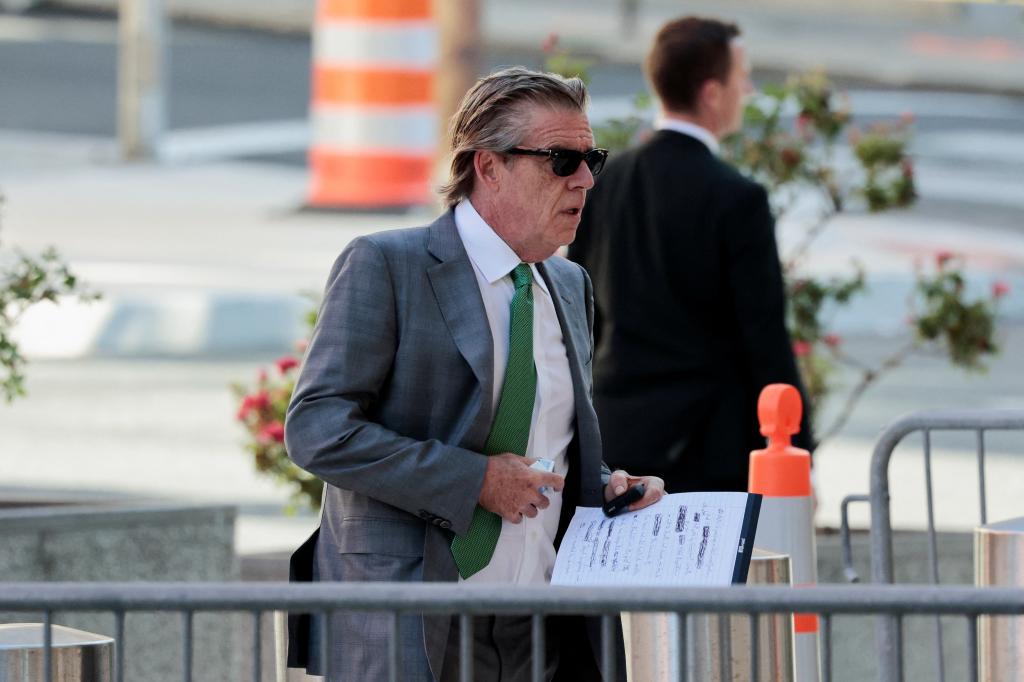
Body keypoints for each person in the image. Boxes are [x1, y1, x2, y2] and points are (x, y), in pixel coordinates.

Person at [284, 66, 665, 682]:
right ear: (489, 167)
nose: (588, 179)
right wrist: (475, 481)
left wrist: (607, 486)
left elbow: (547, 448)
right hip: (418, 610)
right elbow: (318, 430)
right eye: (561, 160)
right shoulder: (388, 265)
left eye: (591, 156)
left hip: (541, 619)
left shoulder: (568, 283)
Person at [568, 17, 813, 495]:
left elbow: (579, 315)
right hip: (708, 448)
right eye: (741, 76)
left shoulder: (605, 183)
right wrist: (801, 450)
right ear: (712, 93)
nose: (748, 88)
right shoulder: (737, 198)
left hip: (616, 438)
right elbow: (763, 339)